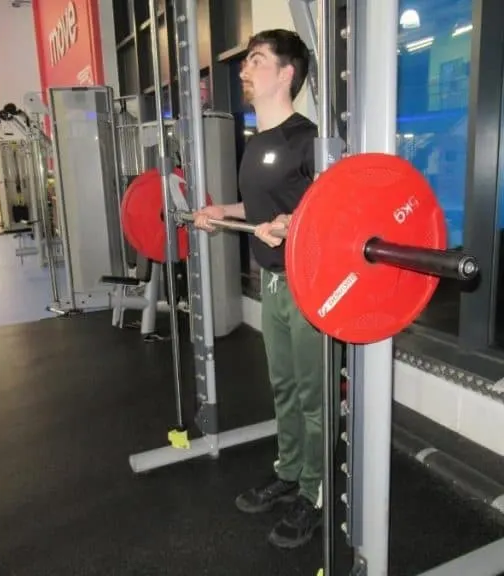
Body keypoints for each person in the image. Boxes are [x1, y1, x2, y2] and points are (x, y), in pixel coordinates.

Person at [191, 29, 335, 550]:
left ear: (287, 73)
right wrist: (221, 212)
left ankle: (317, 492)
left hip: (308, 285)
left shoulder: (309, 139)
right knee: (284, 387)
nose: (244, 71)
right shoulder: (256, 142)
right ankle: (292, 470)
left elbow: (333, 213)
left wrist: (292, 223)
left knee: (314, 395)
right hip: (273, 282)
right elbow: (260, 210)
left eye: (256, 61)